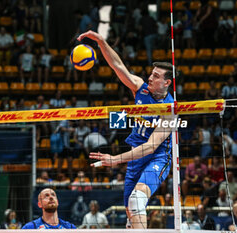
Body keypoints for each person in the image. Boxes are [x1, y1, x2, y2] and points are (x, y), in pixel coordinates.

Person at [78, 30, 175, 229]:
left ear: (167, 83)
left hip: (157, 157)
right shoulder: (140, 87)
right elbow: (117, 65)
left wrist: (114, 159)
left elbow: (150, 147)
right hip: (134, 157)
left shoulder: (171, 111)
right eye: (151, 73)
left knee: (137, 199)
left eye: (156, 76)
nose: (150, 77)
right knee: (132, 215)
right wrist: (102, 41)